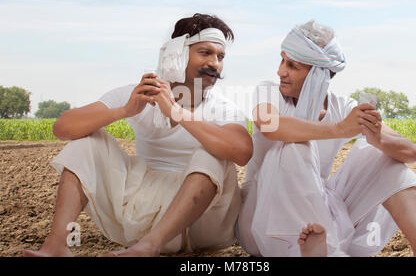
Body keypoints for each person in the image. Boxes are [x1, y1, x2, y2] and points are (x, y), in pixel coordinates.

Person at [22, 13, 253, 257]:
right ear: (177, 53)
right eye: (205, 53)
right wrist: (124, 111)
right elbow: (63, 127)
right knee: (88, 141)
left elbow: (241, 151)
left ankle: (149, 247)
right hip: (142, 214)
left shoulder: (223, 108)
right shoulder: (138, 94)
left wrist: (177, 112)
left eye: (221, 56)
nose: (215, 64)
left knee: (212, 152)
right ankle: (57, 245)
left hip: (203, 224)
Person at [236, 20, 416, 257]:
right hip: (260, 218)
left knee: (378, 152)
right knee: (296, 147)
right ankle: (318, 251)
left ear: (318, 74)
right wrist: (339, 129)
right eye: (282, 60)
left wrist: (377, 138)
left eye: (292, 65)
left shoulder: (343, 106)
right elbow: (270, 126)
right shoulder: (268, 92)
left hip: (318, 212)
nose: (280, 71)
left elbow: (411, 152)